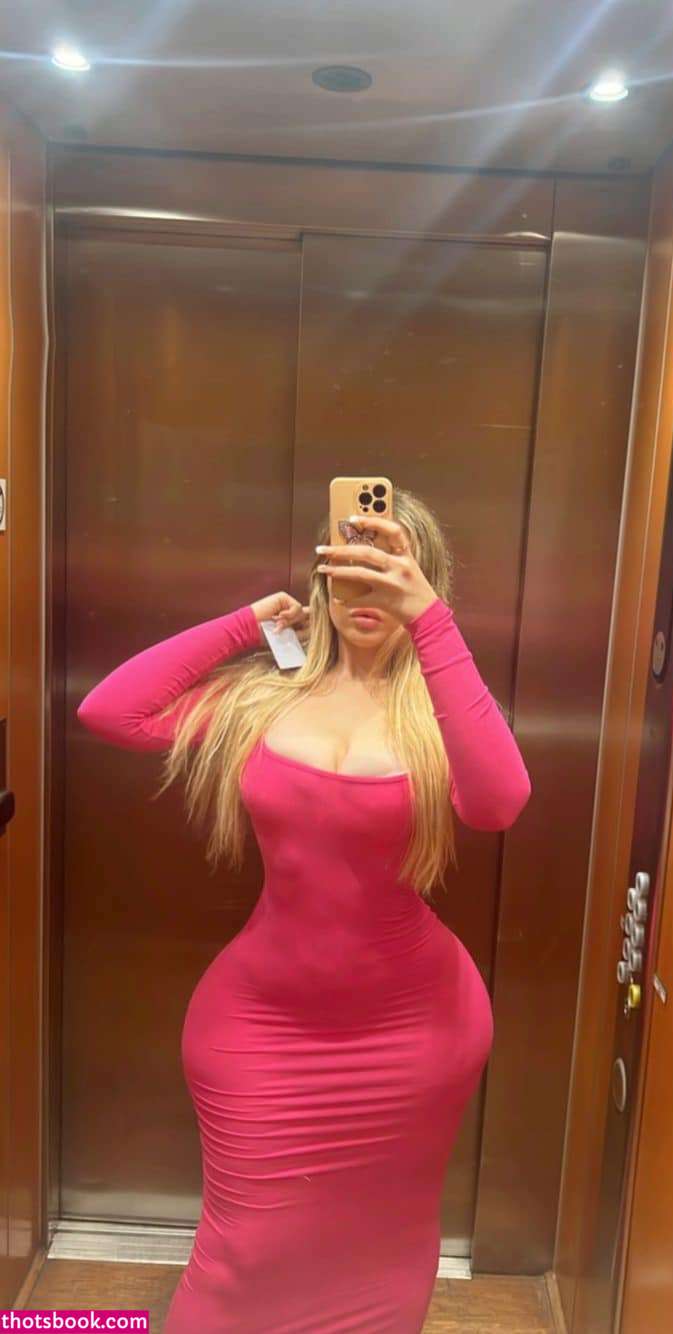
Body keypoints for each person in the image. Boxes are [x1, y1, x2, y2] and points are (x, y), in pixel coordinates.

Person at [76, 487, 531, 1333]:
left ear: (423, 583)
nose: (367, 591)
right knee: (240, 1258)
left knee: (383, 1246)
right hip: (260, 1025)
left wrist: (430, 622)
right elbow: (110, 710)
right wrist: (247, 624)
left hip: (415, 1031)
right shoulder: (262, 702)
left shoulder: (443, 714)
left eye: (389, 570)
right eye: (348, 568)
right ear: (322, 580)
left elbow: (500, 802)